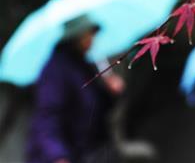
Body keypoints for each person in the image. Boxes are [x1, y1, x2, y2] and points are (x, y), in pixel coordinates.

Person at [26, 15, 125, 163]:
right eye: (89, 34)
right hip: (62, 154)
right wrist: (57, 155)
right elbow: (48, 116)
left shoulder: (83, 66)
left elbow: (96, 109)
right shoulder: (56, 70)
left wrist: (111, 93)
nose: (92, 39)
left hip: (86, 151)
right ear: (77, 36)